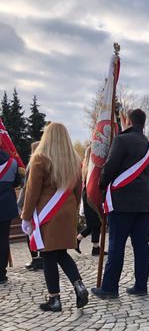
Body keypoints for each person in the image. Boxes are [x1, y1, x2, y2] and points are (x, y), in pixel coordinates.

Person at [20, 123, 88, 311]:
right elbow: (78, 189)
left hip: (47, 213)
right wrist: (73, 211)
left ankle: (54, 299)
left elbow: (32, 191)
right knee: (61, 253)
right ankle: (79, 285)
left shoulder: (40, 158)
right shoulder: (75, 160)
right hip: (67, 211)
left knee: (48, 254)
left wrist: (26, 216)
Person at [92, 109, 149, 299]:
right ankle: (141, 285)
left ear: (128, 121)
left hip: (122, 201)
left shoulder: (121, 140)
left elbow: (110, 167)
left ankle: (110, 287)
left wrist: (101, 184)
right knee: (141, 246)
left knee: (116, 245)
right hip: (143, 202)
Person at [17, 141, 43, 271]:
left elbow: (27, 187)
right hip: (44, 204)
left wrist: (20, 203)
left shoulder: (32, 164)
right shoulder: (48, 163)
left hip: (31, 203)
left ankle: (35, 259)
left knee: (30, 231)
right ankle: (42, 258)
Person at [76, 146, 106, 257]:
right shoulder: (91, 168)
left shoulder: (86, 167)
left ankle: (93, 247)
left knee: (93, 224)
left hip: (90, 195)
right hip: (91, 196)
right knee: (95, 223)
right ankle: (93, 247)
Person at [0, 143, 21, 284]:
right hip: (6, 205)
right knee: (3, 239)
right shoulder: (12, 162)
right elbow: (16, 183)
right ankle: (1, 273)